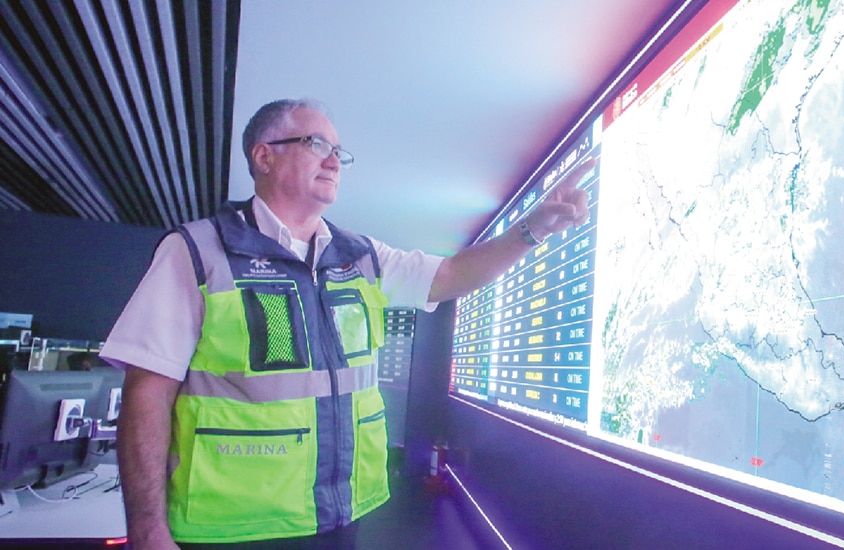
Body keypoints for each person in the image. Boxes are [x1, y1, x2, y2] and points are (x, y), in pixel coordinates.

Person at [100, 98, 591, 549]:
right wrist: (146, 530)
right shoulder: (196, 252)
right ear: (263, 156)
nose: (334, 160)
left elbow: (452, 275)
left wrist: (532, 228)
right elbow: (148, 390)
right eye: (316, 144)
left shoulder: (361, 256)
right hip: (230, 527)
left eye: (338, 151)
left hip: (339, 518)